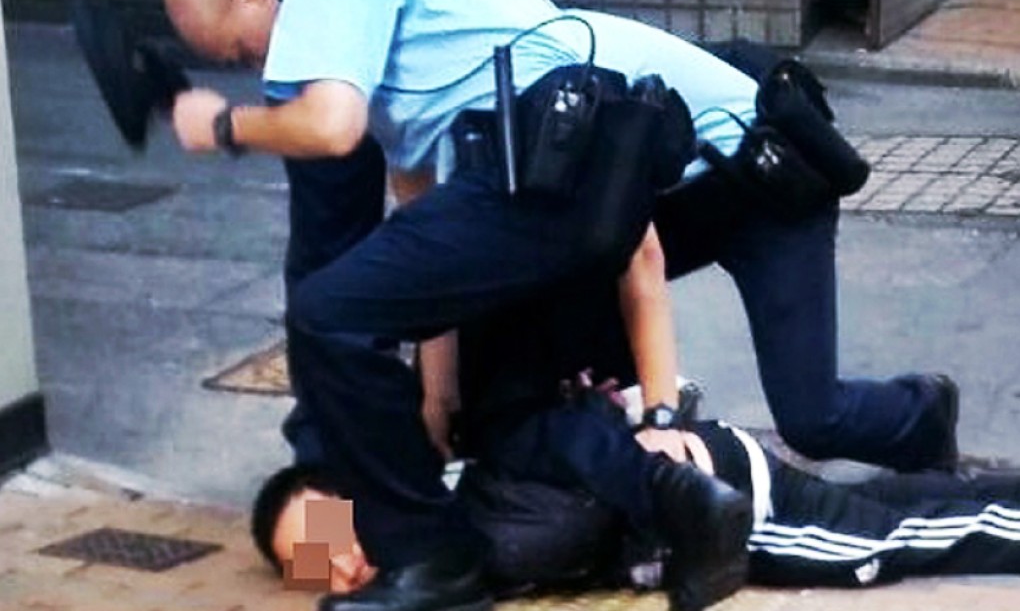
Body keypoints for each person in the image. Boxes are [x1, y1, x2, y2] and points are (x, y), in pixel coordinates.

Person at [162, 0, 742, 611]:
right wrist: (435, 401)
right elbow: (419, 223)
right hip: (562, 166)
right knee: (490, 399)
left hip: (533, 168)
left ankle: (427, 559)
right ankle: (681, 499)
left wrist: (226, 126)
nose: (261, 68)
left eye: (242, 50)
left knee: (330, 311)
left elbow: (330, 138)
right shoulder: (408, 4)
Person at [252, 275, 1020, 607]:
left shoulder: (443, 513)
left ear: (350, 499)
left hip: (721, 497)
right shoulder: (429, 543)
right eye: (309, 567)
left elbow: (556, 473)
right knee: (894, 507)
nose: (341, 566)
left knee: (906, 537)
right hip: (695, 492)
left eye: (326, 536)